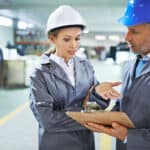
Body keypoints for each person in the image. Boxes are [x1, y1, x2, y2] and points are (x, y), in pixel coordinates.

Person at [29, 5, 121, 150]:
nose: (74, 45)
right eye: (67, 39)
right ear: (52, 38)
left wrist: (98, 95)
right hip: (56, 143)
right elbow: (47, 119)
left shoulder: (85, 66)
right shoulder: (40, 73)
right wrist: (89, 117)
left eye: (77, 38)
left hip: (85, 142)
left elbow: (94, 108)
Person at [85, 0, 150, 150]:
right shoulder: (129, 66)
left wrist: (127, 136)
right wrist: (98, 96)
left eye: (134, 31)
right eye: (127, 30)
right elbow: (122, 110)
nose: (127, 38)